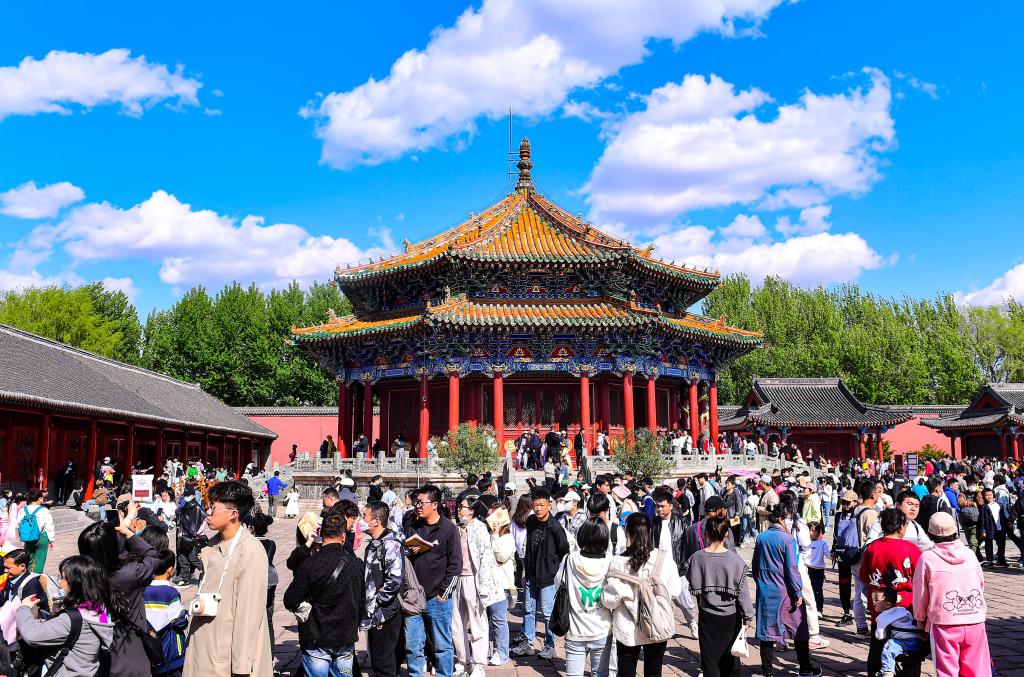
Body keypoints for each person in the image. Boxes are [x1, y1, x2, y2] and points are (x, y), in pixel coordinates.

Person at [183, 481, 273, 677]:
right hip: (204, 649)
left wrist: (241, 668)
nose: (208, 512)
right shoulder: (213, 545)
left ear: (233, 513)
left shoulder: (249, 551)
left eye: (213, 508)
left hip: (224, 660)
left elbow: (248, 615)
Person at [283, 512, 364, 677]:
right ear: (343, 536)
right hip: (345, 637)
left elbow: (290, 599)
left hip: (317, 636)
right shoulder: (356, 564)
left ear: (321, 534)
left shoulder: (311, 564)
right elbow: (362, 600)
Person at [913, 512, 992, 677]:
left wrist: (920, 619)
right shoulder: (970, 554)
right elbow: (980, 584)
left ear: (930, 533)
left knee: (947, 670)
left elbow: (921, 593)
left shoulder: (927, 558)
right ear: (956, 530)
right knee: (978, 669)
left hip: (944, 621)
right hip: (974, 618)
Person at [603, 512, 681, 677]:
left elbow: (609, 601)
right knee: (654, 671)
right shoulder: (664, 559)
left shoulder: (617, 562)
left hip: (626, 627)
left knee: (626, 672)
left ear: (628, 533)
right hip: (656, 623)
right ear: (650, 531)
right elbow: (675, 590)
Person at [14, 555, 116, 677]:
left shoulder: (73, 618)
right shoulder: (99, 607)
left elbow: (32, 635)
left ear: (76, 583)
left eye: (62, 578)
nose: (59, 582)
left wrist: (23, 608)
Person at [752, 502, 821, 677]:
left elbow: (755, 566)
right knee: (799, 629)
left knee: (767, 632)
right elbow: (791, 568)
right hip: (786, 591)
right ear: (782, 519)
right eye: (790, 518)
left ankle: (767, 671)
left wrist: (761, 582)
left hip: (766, 590)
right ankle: (805, 667)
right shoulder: (787, 539)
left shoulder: (761, 537)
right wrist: (797, 592)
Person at [403, 485, 462, 677]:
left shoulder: (448, 529)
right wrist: (408, 551)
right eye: (416, 502)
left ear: (435, 504)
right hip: (414, 598)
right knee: (413, 645)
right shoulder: (413, 526)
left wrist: (444, 594)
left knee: (442, 646)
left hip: (437, 599)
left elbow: (455, 565)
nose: (418, 506)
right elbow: (402, 558)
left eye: (422, 502)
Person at [685, 515, 754, 677]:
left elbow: (691, 580)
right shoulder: (735, 561)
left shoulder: (697, 558)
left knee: (709, 660)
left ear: (706, 534)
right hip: (730, 616)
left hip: (707, 615)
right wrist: (748, 617)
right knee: (730, 661)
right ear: (726, 534)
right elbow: (743, 594)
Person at [859, 508, 921, 676]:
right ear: (901, 526)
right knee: (908, 645)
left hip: (879, 605)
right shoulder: (910, 549)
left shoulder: (872, 548)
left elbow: (864, 575)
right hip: (905, 607)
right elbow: (921, 576)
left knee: (877, 644)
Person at [512, 488, 569, 660]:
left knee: (547, 612)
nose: (538, 509)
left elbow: (564, 551)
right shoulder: (530, 521)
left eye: (541, 505)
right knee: (529, 610)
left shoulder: (555, 528)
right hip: (531, 574)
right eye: (535, 505)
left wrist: (553, 570)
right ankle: (528, 643)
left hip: (548, 577)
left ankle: (550, 645)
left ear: (549, 506)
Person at [453, 497, 505, 677]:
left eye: (463, 507)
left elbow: (485, 558)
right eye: (459, 506)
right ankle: (462, 660)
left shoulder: (479, 528)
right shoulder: (456, 528)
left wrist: (483, 586)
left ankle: (478, 664)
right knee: (456, 624)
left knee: (477, 623)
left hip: (473, 579)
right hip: (456, 579)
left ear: (472, 510)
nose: (459, 510)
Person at [555, 516, 611, 677]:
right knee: (600, 674)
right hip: (602, 629)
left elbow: (558, 584)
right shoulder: (609, 562)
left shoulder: (569, 559)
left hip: (575, 630)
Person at [361, 501, 404, 677]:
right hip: (374, 611)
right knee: (379, 658)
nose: (362, 520)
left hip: (384, 611)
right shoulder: (375, 543)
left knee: (382, 660)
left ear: (376, 521)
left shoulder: (390, 544)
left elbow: (394, 580)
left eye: (365, 516)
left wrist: (376, 601)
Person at [143, 549, 188, 677]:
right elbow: (181, 622)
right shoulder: (171, 593)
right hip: (170, 654)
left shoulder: (144, 591)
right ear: (170, 570)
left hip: (151, 648)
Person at [871, 587, 923, 677]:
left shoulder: (882, 617)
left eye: (876, 600)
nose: (874, 602)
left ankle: (887, 671)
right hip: (918, 641)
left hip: (903, 642)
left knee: (888, 647)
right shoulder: (902, 610)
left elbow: (880, 636)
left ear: (887, 604)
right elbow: (910, 618)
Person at [173, 487, 206, 586]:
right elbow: (179, 520)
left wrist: (197, 533)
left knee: (193, 558)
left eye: (188, 495)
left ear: (193, 496)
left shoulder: (198, 508)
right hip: (183, 536)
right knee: (182, 558)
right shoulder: (182, 508)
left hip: (193, 537)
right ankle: (184, 578)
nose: (186, 497)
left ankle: (208, 571)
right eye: (185, 495)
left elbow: (203, 521)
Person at [17, 490, 55, 574]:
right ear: (39, 498)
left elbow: (19, 523)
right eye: (42, 498)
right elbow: (49, 526)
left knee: (28, 559)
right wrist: (51, 540)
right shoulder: (44, 510)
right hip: (41, 537)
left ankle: (27, 576)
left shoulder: (23, 510)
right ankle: (36, 578)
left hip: (28, 538)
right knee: (40, 561)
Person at [651, 487, 687, 575]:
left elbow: (688, 546)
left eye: (663, 506)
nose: (659, 509)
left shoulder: (682, 522)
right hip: (658, 569)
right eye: (657, 506)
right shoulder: (653, 523)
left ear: (671, 506)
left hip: (678, 569)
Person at [805, 522, 829, 618]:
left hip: (818, 570)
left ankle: (819, 609)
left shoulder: (822, 544)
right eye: (809, 531)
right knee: (806, 590)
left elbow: (828, 554)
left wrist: (834, 554)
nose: (811, 533)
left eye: (813, 531)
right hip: (807, 568)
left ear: (819, 532)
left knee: (817, 590)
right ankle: (807, 609)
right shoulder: (805, 543)